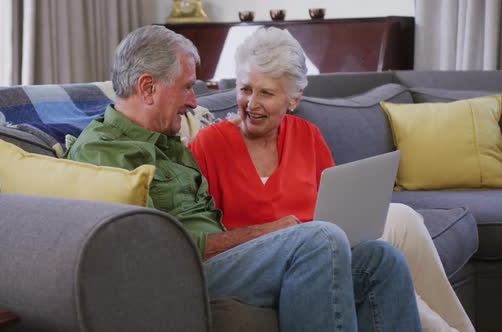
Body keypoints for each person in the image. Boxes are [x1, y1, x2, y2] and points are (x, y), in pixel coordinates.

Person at [67, 25, 422, 331]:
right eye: (187, 88)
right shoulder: (104, 155)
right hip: (183, 273)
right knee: (319, 239)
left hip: (226, 261)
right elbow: (148, 250)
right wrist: (270, 232)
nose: (194, 102)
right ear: (147, 88)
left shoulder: (167, 141)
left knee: (381, 259)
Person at [188, 27, 474, 332]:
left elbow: (334, 211)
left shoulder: (307, 136)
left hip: (325, 258)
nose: (251, 103)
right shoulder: (209, 145)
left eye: (266, 93)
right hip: (262, 266)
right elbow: (204, 240)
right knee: (346, 235)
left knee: (384, 257)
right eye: (246, 89)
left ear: (293, 99)